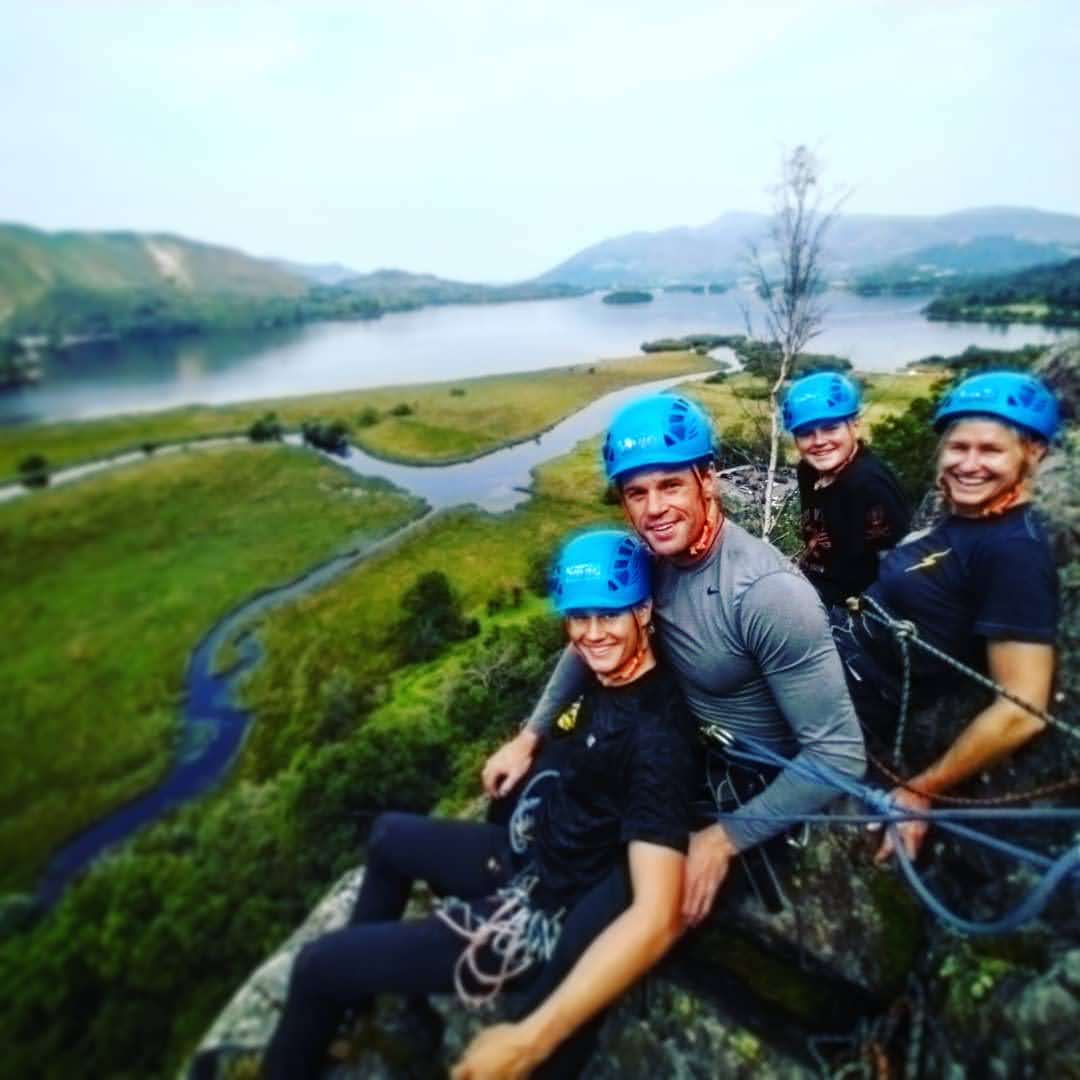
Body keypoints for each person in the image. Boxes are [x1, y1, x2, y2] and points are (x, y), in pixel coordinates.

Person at [263, 528, 699, 1080]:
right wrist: (528, 739)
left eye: (608, 616)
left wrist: (527, 1040)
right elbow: (579, 672)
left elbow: (657, 915)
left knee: (316, 965)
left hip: (534, 918)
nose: (590, 636)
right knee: (389, 835)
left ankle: (310, 1034)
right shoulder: (607, 669)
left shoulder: (658, 737)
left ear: (642, 611)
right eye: (579, 618)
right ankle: (355, 1014)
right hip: (526, 858)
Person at [484, 393, 866, 928]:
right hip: (669, 752)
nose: (654, 509)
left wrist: (722, 839)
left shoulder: (766, 593)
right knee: (520, 803)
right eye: (636, 493)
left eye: (670, 485)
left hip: (740, 782)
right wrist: (530, 736)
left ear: (707, 479)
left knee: (593, 899)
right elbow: (587, 641)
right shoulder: (650, 561)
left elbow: (839, 756)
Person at [829, 370, 1061, 863]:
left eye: (990, 450)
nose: (969, 464)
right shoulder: (966, 519)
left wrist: (920, 792)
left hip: (851, 688)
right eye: (959, 447)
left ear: (1032, 453)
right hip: (832, 649)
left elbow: (1023, 709)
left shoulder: (1013, 551)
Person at [783, 370, 911, 609]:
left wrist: (869, 606)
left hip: (851, 608)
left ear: (855, 426)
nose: (819, 441)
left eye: (831, 428)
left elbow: (895, 562)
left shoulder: (869, 485)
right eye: (806, 433)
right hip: (814, 587)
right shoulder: (808, 470)